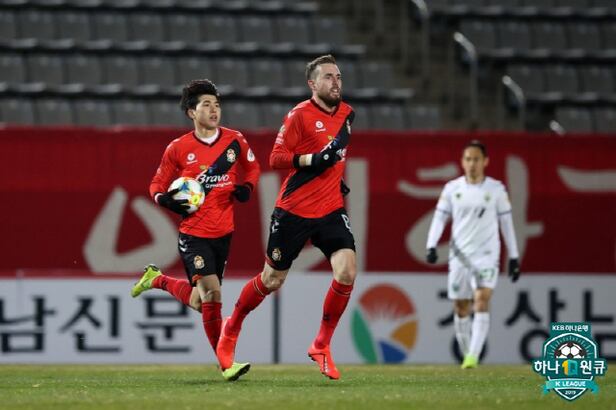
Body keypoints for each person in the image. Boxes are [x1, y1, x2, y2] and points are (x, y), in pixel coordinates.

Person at [215, 55, 356, 380]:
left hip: (331, 209)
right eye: (328, 77)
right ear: (312, 84)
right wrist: (313, 160)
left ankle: (321, 344)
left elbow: (335, 156)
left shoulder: (348, 114)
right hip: (294, 211)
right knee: (272, 280)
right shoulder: (299, 116)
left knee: (347, 270)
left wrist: (334, 177)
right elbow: (276, 158)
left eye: (338, 76)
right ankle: (232, 327)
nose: (335, 82)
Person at [130, 79, 261, 381]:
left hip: (224, 233)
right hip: (193, 235)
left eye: (217, 105)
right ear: (192, 112)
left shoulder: (235, 140)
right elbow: (157, 184)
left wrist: (247, 187)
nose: (214, 110)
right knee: (212, 293)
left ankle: (157, 279)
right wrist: (164, 200)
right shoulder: (178, 148)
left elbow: (253, 168)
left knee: (202, 301)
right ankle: (226, 363)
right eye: (206, 105)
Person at [425, 140, 521, 369]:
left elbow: (506, 223)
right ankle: (468, 353)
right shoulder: (452, 189)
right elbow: (440, 218)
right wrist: (431, 245)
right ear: (462, 162)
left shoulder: (496, 190)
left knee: (481, 299)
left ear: (485, 162)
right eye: (468, 159)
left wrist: (514, 256)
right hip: (459, 255)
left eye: (476, 159)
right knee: (461, 307)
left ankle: (473, 357)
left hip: (487, 254)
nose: (472, 164)